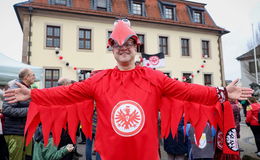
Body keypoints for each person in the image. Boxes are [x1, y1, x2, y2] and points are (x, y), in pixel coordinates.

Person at [4, 19, 253, 160]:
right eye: (117, 45)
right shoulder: (98, 79)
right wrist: (33, 93)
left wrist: (221, 93)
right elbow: (65, 93)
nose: (123, 47)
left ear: (137, 47)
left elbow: (187, 91)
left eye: (129, 43)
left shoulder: (155, 77)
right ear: (112, 49)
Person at [3, 68, 35, 160]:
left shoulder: (27, 88)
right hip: (15, 133)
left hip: (25, 131)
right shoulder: (14, 88)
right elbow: (7, 109)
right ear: (26, 77)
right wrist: (30, 110)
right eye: (33, 75)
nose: (34, 77)